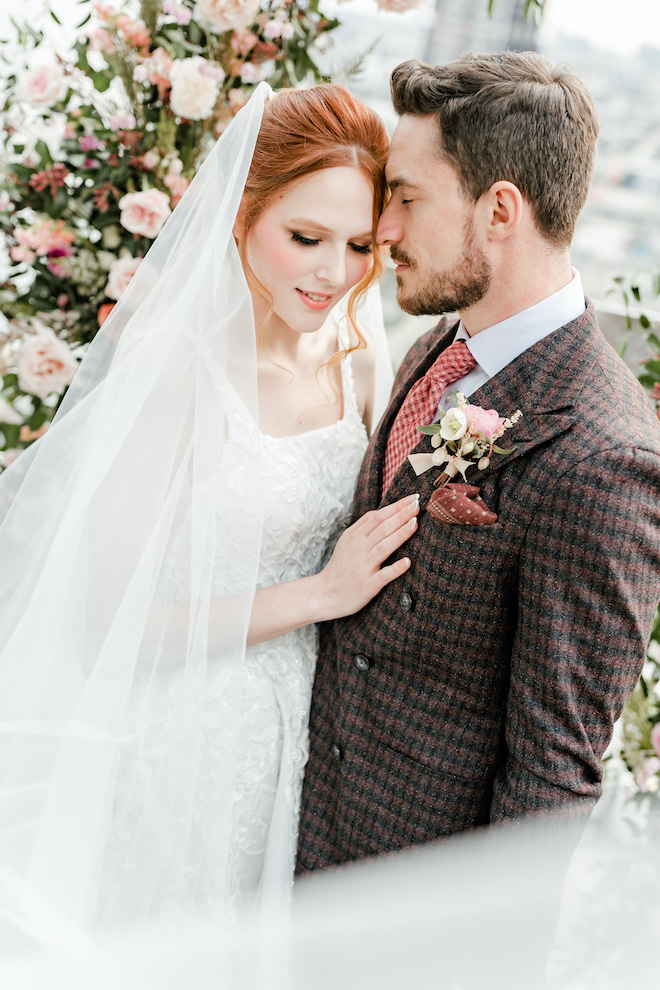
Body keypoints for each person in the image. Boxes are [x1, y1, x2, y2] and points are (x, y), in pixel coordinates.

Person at [0, 82, 419, 944]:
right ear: (239, 214)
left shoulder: (360, 368)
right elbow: (100, 625)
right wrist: (316, 597)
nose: (333, 274)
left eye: (354, 245)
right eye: (303, 238)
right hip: (186, 740)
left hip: (313, 736)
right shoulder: (179, 377)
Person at [296, 53, 660, 873]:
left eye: (408, 198)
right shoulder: (440, 343)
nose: (383, 230)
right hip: (304, 837)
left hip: (410, 905)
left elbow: (551, 777)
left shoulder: (606, 455)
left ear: (500, 210)